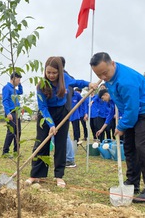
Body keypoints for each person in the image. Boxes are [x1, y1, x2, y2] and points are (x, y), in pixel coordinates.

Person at [90, 52, 145, 202]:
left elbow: (132, 109)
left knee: (142, 147)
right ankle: (132, 183)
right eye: (99, 75)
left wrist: (122, 125)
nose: (103, 77)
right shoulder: (108, 75)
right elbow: (126, 105)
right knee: (129, 147)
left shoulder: (125, 81)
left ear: (113, 64)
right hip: (132, 112)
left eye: (105, 73)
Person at [25, 57, 97, 188]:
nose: (51, 75)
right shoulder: (41, 85)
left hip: (62, 112)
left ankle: (59, 176)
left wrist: (89, 84)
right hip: (46, 114)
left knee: (61, 143)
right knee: (41, 142)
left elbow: (77, 82)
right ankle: (36, 174)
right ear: (45, 72)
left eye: (54, 73)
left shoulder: (65, 78)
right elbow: (43, 107)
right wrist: (51, 125)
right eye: (49, 73)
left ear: (60, 71)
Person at [2, 72, 23, 158]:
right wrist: (8, 113)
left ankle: (16, 151)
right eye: (18, 80)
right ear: (14, 78)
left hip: (16, 113)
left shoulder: (14, 89)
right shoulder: (6, 88)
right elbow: (5, 101)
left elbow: (20, 92)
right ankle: (5, 152)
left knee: (18, 132)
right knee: (11, 133)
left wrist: (20, 84)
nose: (19, 81)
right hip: (10, 113)